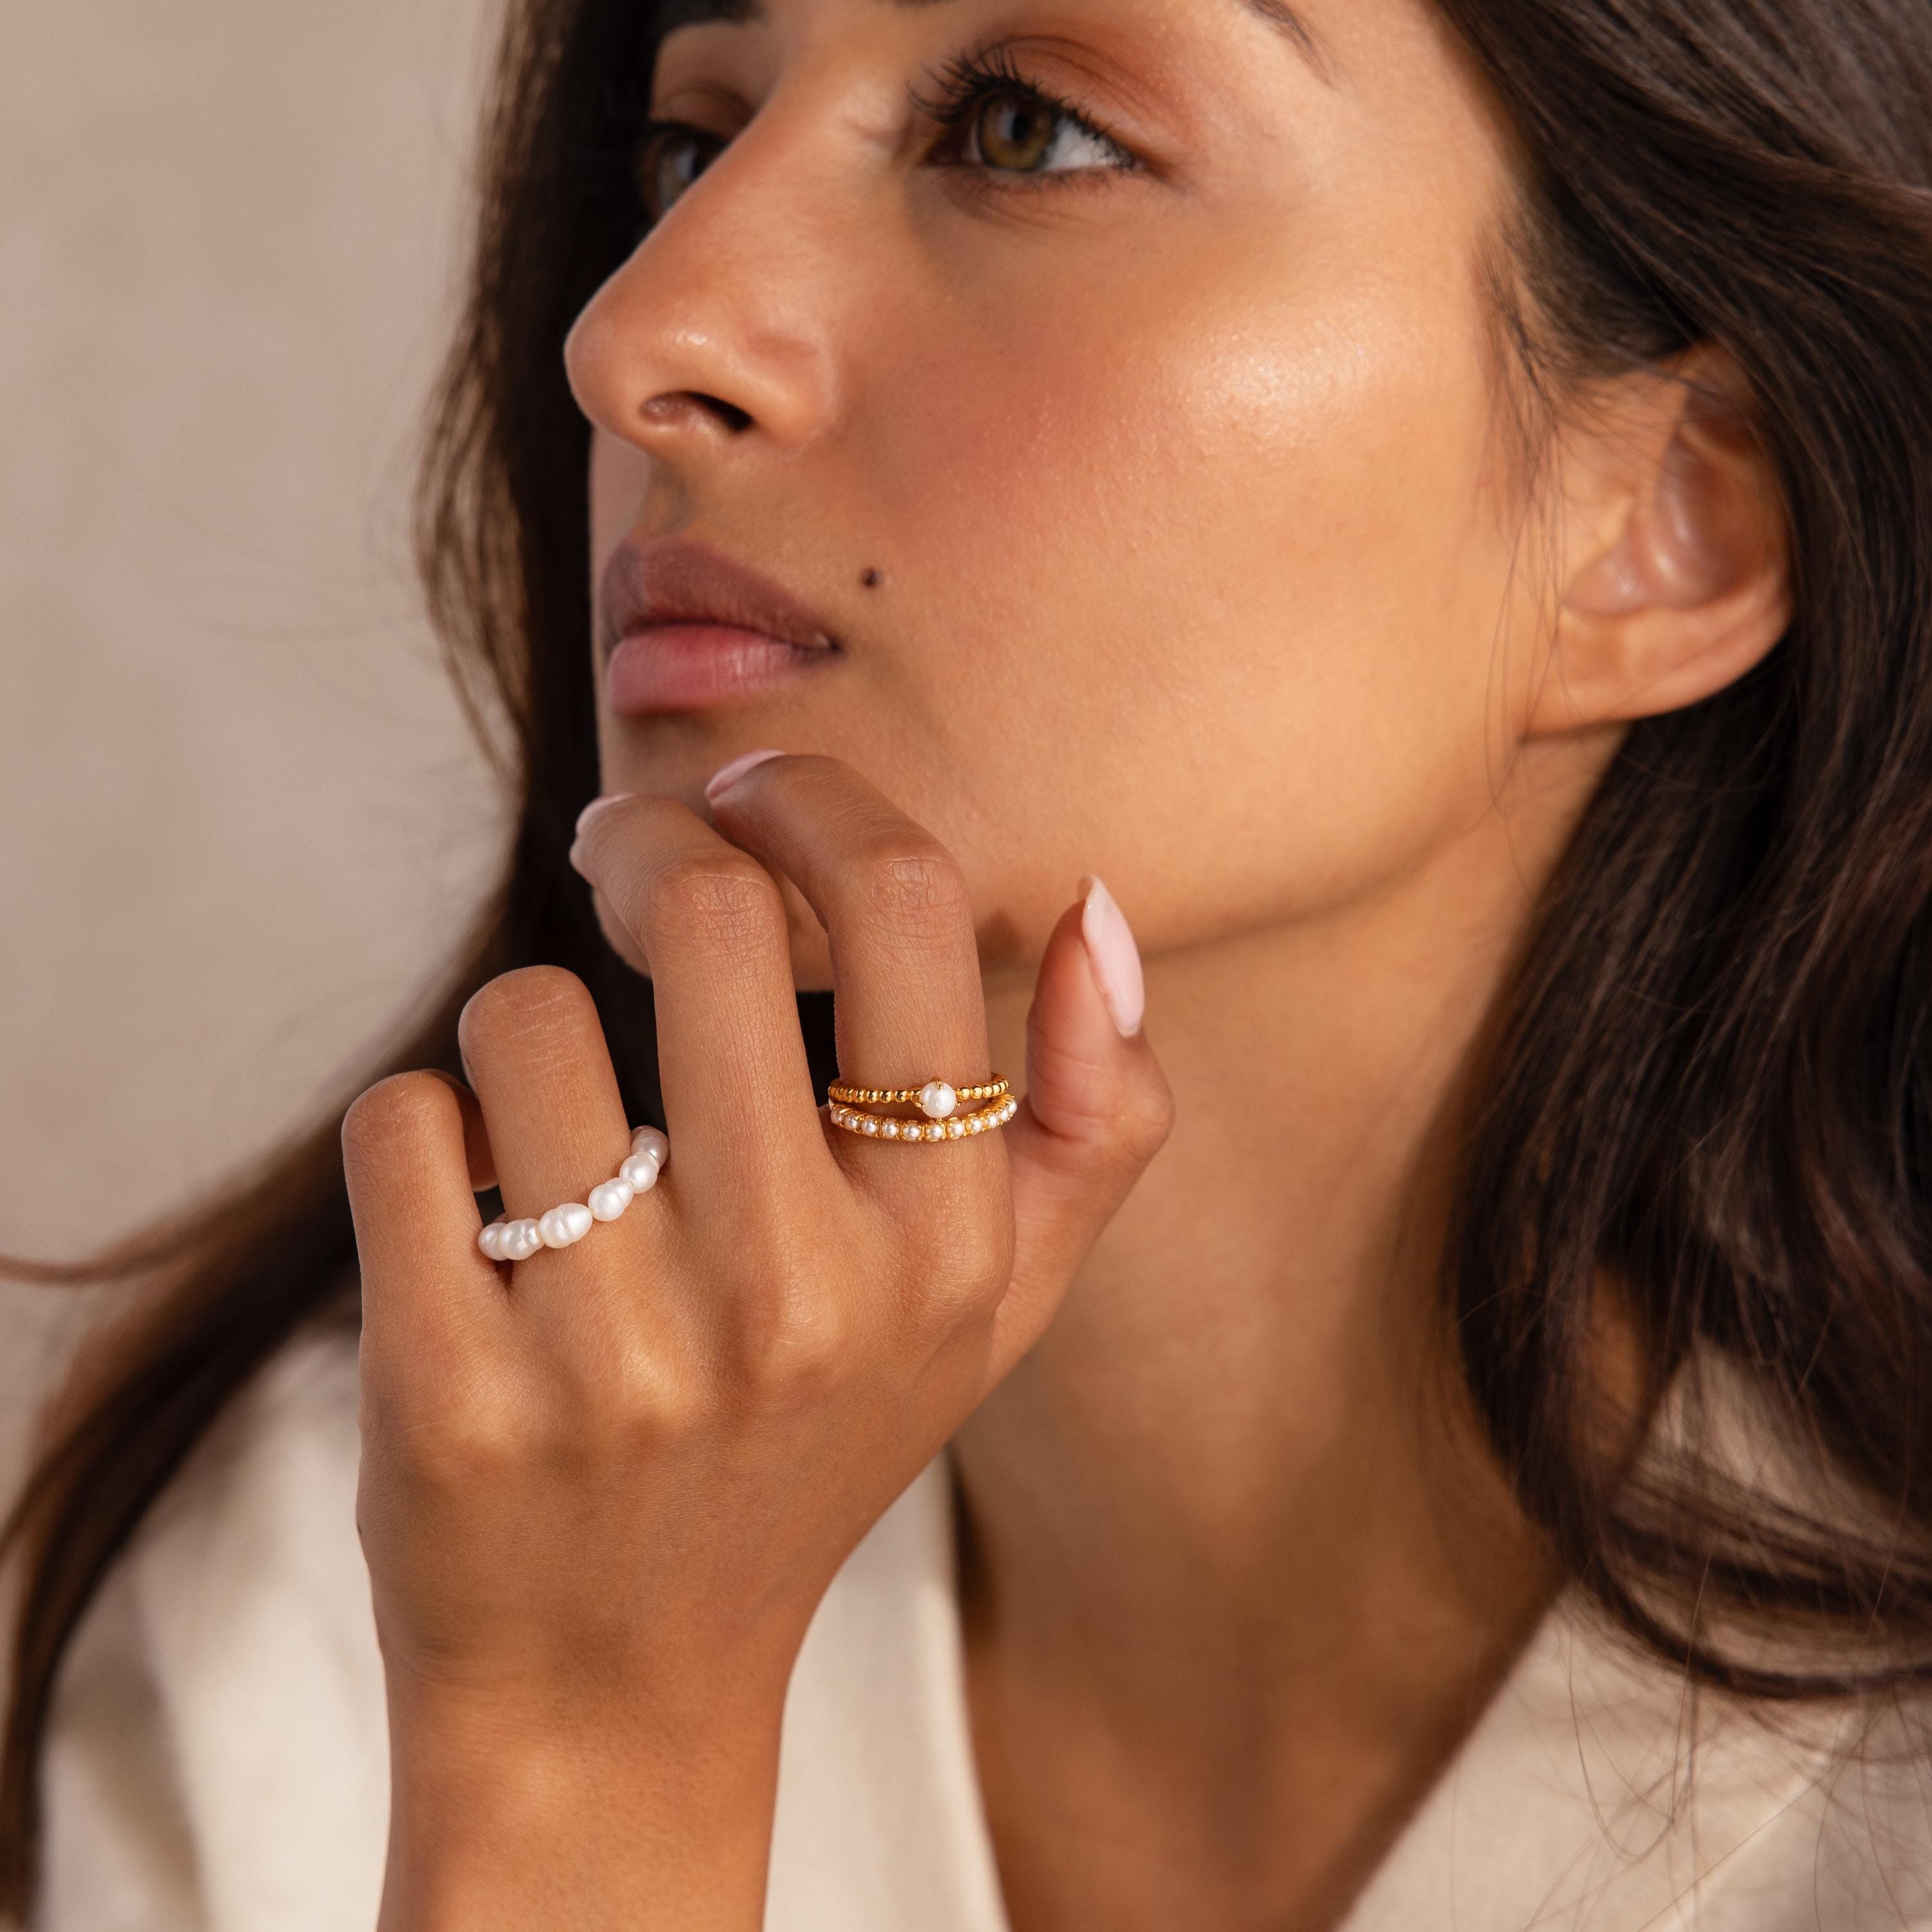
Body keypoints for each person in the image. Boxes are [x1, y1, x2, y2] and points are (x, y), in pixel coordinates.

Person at [6, 0, 1932, 1924]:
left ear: (1674, 522)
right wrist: (571, 1764)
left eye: (1028, 133)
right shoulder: (332, 1617)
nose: (639, 332)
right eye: (690, 142)